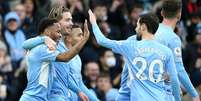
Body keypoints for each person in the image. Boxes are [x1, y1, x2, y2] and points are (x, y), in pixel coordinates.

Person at [88, 10, 181, 101]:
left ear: (143, 27)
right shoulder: (166, 51)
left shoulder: (130, 46)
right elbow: (175, 80)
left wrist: (94, 23)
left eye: (137, 25)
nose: (135, 28)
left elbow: (101, 40)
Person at [22, 6, 98, 101]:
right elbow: (24, 44)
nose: (71, 23)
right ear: (56, 22)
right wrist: (44, 39)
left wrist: (78, 91)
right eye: (67, 20)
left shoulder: (60, 46)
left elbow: (66, 77)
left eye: (71, 20)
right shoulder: (46, 45)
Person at [154, 0, 200, 101]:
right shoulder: (173, 38)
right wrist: (194, 94)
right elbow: (178, 69)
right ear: (179, 14)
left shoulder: (151, 31)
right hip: (161, 91)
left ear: (162, 13)